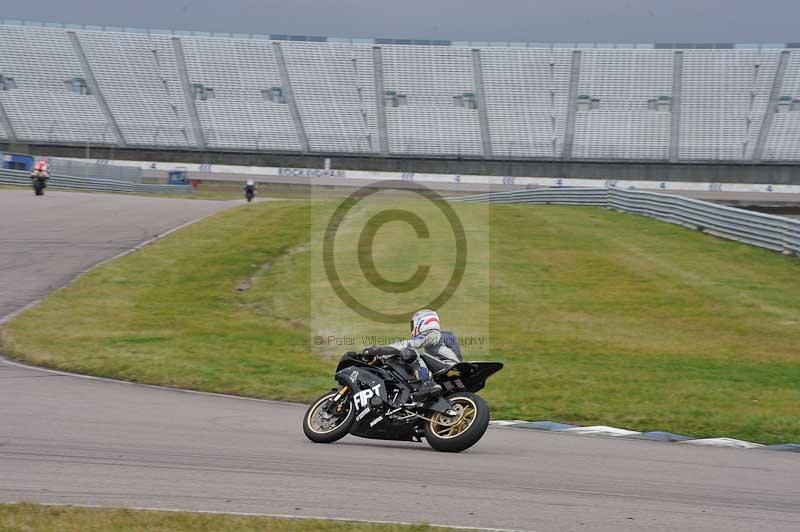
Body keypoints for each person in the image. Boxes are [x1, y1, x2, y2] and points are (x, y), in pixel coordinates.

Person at [366, 309, 460, 401]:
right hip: (451, 368)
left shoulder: (433, 334)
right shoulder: (444, 336)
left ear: (422, 322)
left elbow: (410, 344)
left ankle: (428, 383)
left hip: (449, 368)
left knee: (411, 353)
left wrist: (379, 350)